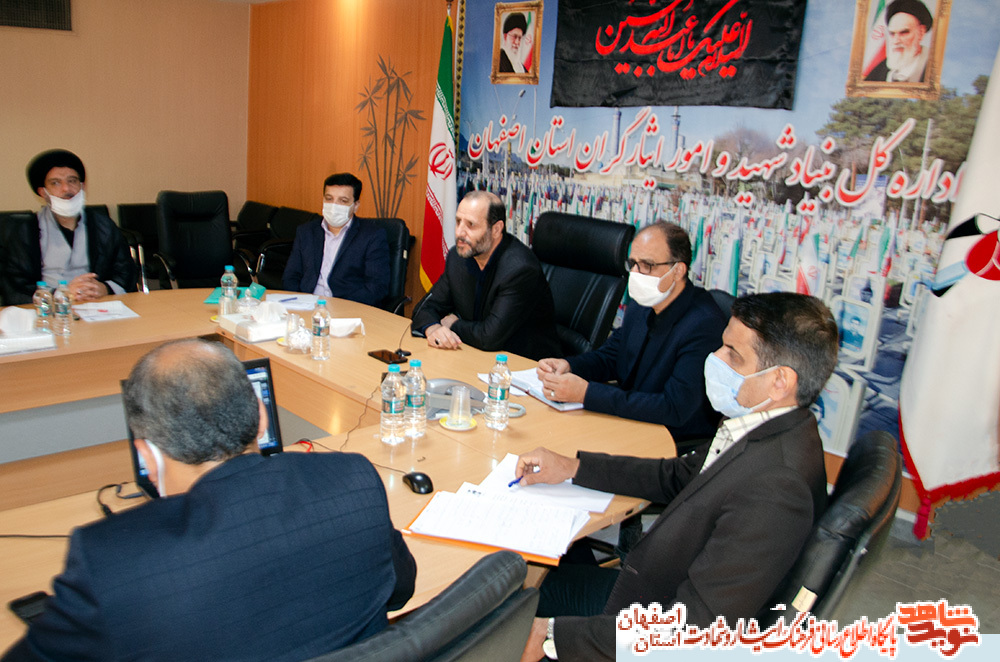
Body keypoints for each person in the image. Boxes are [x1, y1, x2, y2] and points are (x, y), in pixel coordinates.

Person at [2, 339, 415, 662]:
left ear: (147, 455)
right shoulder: (352, 478)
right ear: (262, 416)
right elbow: (399, 590)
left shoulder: (111, 560)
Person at [516, 293, 839, 662]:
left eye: (733, 354)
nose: (715, 359)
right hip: (653, 588)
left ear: (780, 381)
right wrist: (572, 468)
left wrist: (554, 637)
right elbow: (677, 475)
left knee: (512, 597)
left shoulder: (777, 488)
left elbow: (693, 631)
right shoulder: (768, 427)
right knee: (550, 563)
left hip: (648, 620)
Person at [536, 222, 725, 443]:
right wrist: (569, 366)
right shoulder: (643, 305)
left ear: (678, 271)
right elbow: (611, 356)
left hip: (669, 439)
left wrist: (586, 393)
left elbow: (673, 408)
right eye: (632, 263)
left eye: (646, 265)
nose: (635, 273)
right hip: (629, 419)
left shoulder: (703, 325)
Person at [412, 190, 561, 361]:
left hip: (525, 365)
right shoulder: (458, 258)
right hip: (475, 356)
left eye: (470, 225)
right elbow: (423, 309)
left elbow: (489, 337)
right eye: (458, 222)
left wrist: (452, 324)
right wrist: (433, 328)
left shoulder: (520, 269)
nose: (460, 232)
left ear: (496, 229)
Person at [1, 149, 136, 305]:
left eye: (72, 181)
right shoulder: (25, 231)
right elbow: (14, 283)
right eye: (55, 183)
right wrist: (60, 294)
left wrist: (105, 288)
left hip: (96, 304)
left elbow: (125, 270)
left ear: (82, 186)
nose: (66, 189)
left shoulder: (103, 225)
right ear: (43, 192)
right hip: (47, 308)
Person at [282, 172, 390, 307]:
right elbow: (291, 276)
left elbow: (377, 286)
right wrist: (297, 304)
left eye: (343, 201)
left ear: (356, 205)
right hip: (307, 305)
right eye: (329, 199)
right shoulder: (306, 231)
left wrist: (341, 308)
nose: (334, 206)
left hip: (348, 308)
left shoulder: (372, 236)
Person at [865, 0, 933, 83]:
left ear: (921, 33)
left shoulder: (933, 66)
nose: (896, 41)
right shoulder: (879, 70)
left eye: (904, 32)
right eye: (892, 34)